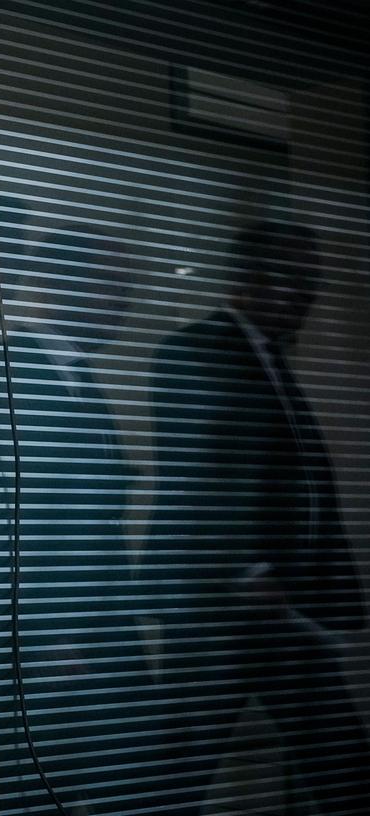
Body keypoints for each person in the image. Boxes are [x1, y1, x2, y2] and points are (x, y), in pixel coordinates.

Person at [145, 222, 369, 812]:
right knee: (178, 775)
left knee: (343, 768)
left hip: (277, 612)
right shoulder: (193, 350)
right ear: (248, 281)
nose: (306, 296)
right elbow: (197, 482)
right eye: (294, 280)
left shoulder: (267, 358)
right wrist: (246, 573)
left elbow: (292, 482)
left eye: (311, 282)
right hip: (217, 608)